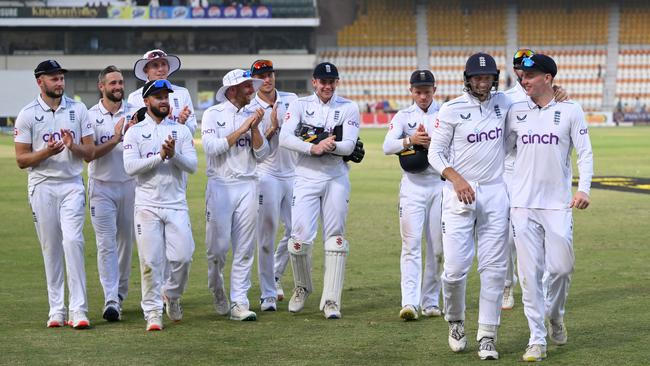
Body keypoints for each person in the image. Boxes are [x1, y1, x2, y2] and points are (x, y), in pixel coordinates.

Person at [505, 54, 593, 362]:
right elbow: (498, 148)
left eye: (530, 75)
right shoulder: (514, 111)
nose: (524, 80)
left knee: (561, 268)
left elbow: (584, 152)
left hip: (557, 204)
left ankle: (556, 314)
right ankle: (536, 339)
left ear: (548, 78)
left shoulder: (570, 110)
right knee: (529, 276)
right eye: (522, 76)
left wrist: (584, 189)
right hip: (522, 205)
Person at [428, 53, 510, 360]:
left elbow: (534, 98)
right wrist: (456, 178)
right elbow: (435, 155)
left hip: (494, 193)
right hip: (459, 194)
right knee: (455, 270)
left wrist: (558, 93)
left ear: (494, 79)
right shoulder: (451, 109)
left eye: (487, 77)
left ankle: (488, 335)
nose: (482, 81)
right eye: (477, 77)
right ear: (468, 78)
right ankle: (456, 322)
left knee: (494, 269)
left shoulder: (504, 102)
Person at [14, 60, 95, 329]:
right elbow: (22, 160)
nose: (59, 83)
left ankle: (79, 310)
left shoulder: (78, 109)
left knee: (73, 242)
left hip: (71, 184)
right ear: (40, 82)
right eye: (54, 79)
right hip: (42, 186)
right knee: (51, 249)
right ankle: (56, 310)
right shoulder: (27, 114)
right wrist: (46, 153)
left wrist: (73, 147)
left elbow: (90, 154)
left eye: (61, 78)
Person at [279, 62, 360, 319]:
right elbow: (285, 138)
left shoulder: (348, 106)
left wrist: (327, 145)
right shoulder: (299, 105)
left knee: (336, 237)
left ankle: (332, 300)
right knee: (298, 240)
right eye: (322, 82)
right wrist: (313, 148)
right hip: (305, 177)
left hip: (336, 177)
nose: (327, 86)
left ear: (337, 82)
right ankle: (302, 286)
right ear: (314, 82)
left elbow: (349, 146)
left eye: (331, 81)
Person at [123, 79, 197, 331]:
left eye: (166, 96)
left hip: (176, 203)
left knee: (183, 257)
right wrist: (160, 157)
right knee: (150, 262)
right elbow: (130, 168)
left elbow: (193, 166)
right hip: (147, 205)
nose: (164, 101)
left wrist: (174, 155)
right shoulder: (134, 132)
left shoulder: (181, 130)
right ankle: (153, 312)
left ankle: (172, 295)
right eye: (158, 97)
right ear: (147, 101)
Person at [202, 69, 268, 321]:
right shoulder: (212, 114)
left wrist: (255, 129)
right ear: (232, 90)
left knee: (244, 249)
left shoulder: (254, 114)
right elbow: (212, 148)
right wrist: (243, 128)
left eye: (252, 85)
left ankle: (239, 302)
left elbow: (262, 154)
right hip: (220, 185)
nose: (252, 89)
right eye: (247, 86)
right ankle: (217, 289)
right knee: (217, 250)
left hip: (249, 184)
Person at [382, 70, 444, 321]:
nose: (422, 96)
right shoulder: (403, 116)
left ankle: (430, 301)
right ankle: (410, 302)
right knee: (411, 245)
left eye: (427, 91)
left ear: (434, 90)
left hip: (440, 186)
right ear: (411, 91)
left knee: (438, 249)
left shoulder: (445, 113)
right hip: (412, 187)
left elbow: (456, 145)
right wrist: (410, 140)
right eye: (418, 92)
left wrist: (432, 144)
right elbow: (387, 146)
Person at [86, 65, 138, 322]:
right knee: (105, 244)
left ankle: (120, 294)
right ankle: (110, 299)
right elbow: (90, 155)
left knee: (125, 244)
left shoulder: (135, 113)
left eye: (120, 82)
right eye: (113, 83)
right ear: (102, 87)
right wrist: (117, 138)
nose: (118, 87)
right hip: (101, 187)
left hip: (130, 185)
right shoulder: (89, 116)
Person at [248, 59, 298, 310]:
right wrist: (272, 128)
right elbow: (256, 152)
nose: (266, 80)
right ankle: (268, 293)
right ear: (254, 81)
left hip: (294, 173)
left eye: (269, 75)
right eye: (261, 77)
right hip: (266, 175)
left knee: (297, 232)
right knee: (266, 236)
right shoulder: (249, 107)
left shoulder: (292, 99)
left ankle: (276, 274)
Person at [502, 48, 535, 310]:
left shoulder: (548, 93)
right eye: (521, 67)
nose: (525, 71)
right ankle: (506, 286)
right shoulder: (506, 98)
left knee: (530, 232)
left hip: (535, 170)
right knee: (507, 235)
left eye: (529, 66)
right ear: (515, 70)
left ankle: (534, 286)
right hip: (510, 169)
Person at [127, 49, 197, 136]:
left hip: (177, 148)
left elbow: (192, 131)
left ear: (168, 67)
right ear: (146, 70)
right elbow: (132, 132)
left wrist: (181, 123)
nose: (160, 69)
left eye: (163, 64)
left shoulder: (183, 93)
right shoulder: (135, 97)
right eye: (155, 65)